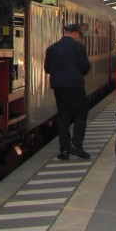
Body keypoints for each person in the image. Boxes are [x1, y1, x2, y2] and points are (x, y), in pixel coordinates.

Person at [44, 22, 92, 160]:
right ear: (76, 34)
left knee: (63, 117)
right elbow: (85, 68)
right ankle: (77, 145)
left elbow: (47, 69)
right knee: (80, 115)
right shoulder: (78, 47)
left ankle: (64, 150)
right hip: (75, 87)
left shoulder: (52, 49)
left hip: (59, 88)